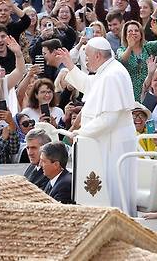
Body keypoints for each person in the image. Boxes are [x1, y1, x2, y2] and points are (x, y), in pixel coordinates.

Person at [54, 37, 137, 214]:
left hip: (113, 142)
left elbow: (109, 119)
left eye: (88, 56)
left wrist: (81, 133)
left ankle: (117, 219)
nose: (86, 60)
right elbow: (89, 85)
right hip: (104, 140)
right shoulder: (106, 71)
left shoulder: (113, 75)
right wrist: (70, 65)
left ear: (98, 55)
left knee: (113, 186)